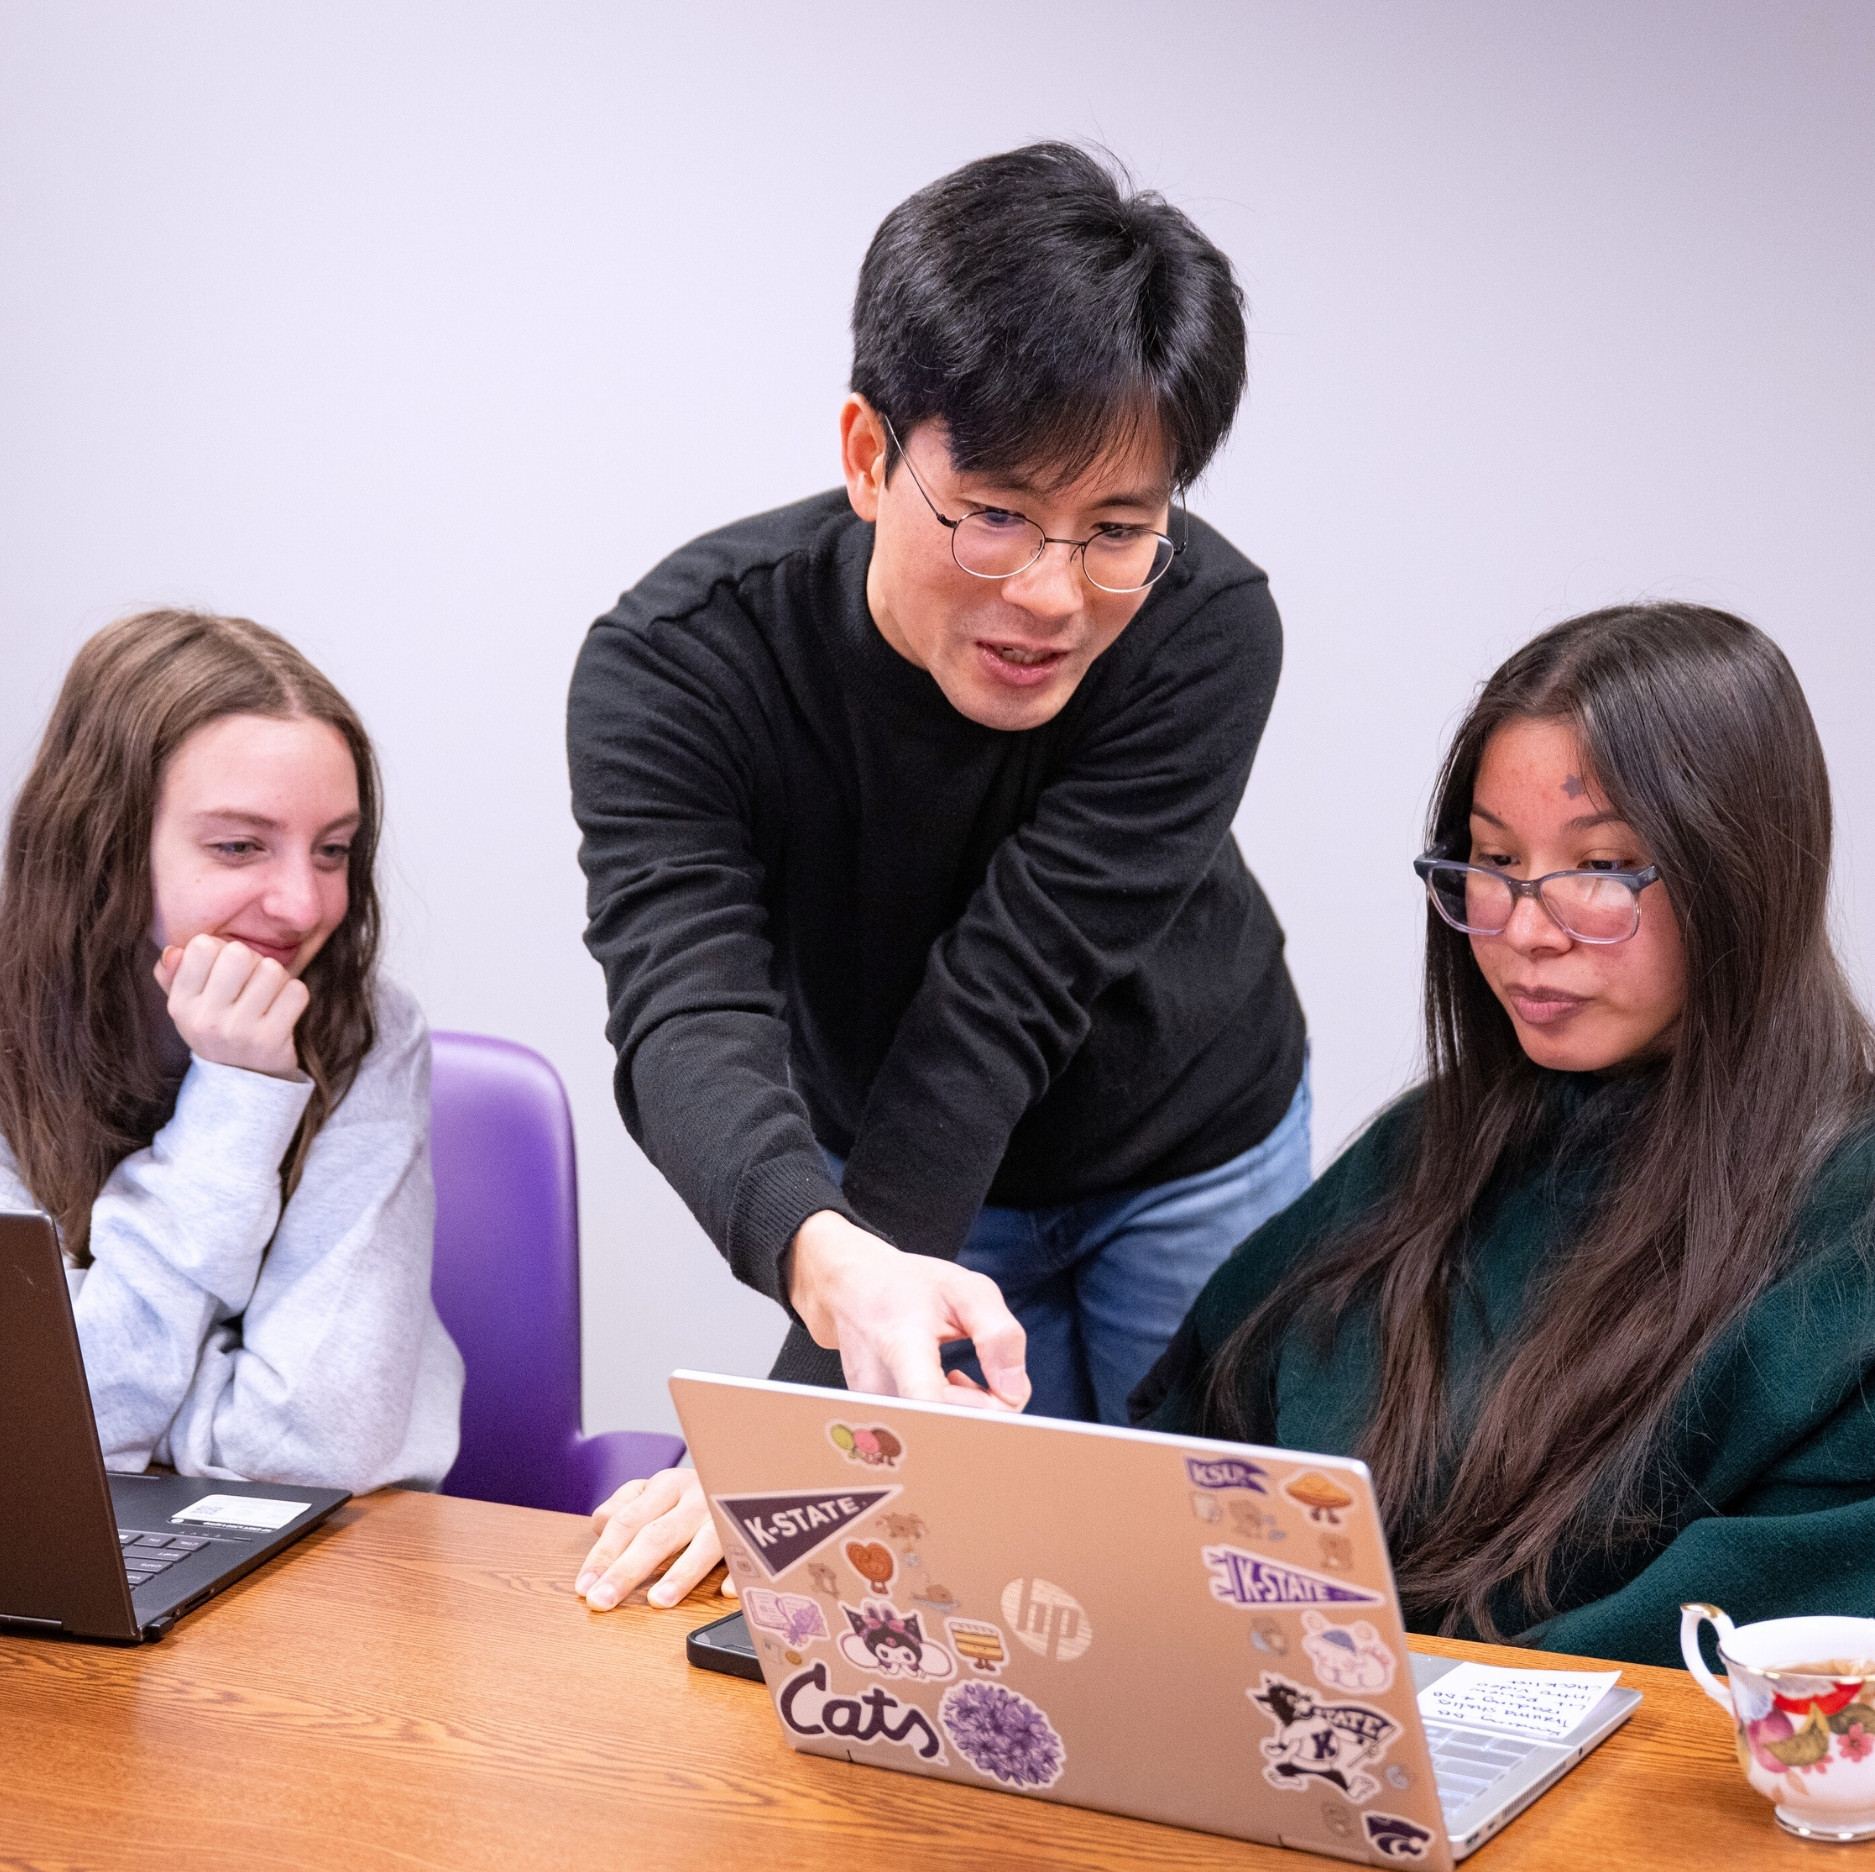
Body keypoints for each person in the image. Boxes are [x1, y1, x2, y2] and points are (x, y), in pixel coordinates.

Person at [567, 143, 1309, 1608]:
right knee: (937, 1605)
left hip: (1189, 1142)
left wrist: (783, 1425)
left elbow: (998, 1002)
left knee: (1204, 1595)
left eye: (1116, 528)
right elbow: (686, 1017)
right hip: (896, 1182)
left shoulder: (1202, 626)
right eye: (995, 511)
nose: (1049, 591)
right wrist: (823, 1301)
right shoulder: (677, 665)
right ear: (866, 452)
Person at [1133, 602, 1875, 1668]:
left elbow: (1772, 1632)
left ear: (1743, 871)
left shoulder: (1848, 1223)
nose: (1527, 930)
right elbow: (1200, 1434)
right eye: (1490, 861)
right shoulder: (1426, 1147)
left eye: (1601, 867)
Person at [0, 609, 463, 1492]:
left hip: (313, 1567)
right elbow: (52, 1438)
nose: (301, 903)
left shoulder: (369, 1029)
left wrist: (245, 1085)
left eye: (333, 850)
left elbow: (318, 1444)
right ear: (101, 844)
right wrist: (234, 1109)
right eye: (240, 845)